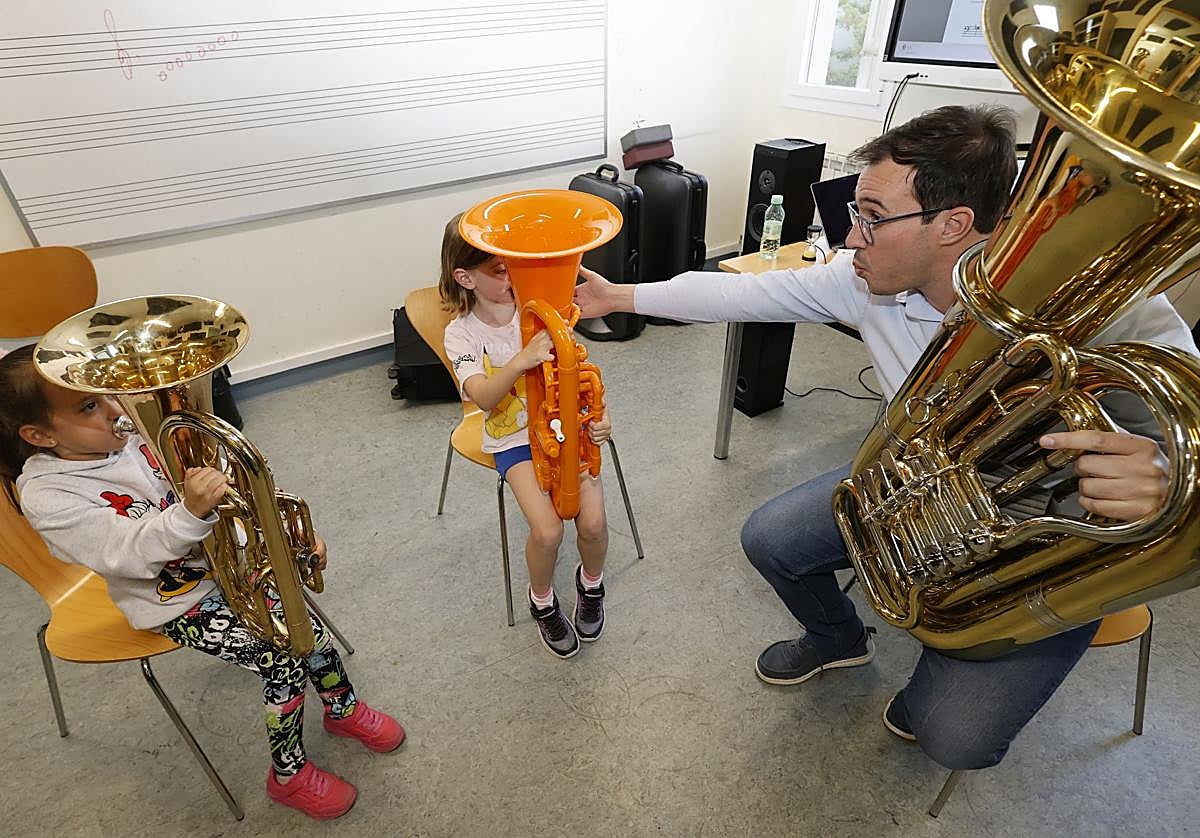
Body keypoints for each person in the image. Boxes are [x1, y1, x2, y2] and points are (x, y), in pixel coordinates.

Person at [573, 104, 1196, 771]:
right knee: (769, 539)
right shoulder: (860, 280)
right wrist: (620, 297)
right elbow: (743, 295)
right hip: (919, 483)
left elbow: (1183, 403)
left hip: (1044, 537)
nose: (849, 237)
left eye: (871, 215)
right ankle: (839, 637)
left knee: (952, 738)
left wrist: (1164, 468)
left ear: (953, 224)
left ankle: (944, 670)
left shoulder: (1101, 302)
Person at [0, 345, 405, 820]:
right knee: (281, 660)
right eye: (89, 406)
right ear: (40, 435)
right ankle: (288, 775)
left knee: (308, 633)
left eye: (105, 391)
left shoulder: (136, 434)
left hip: (230, 566)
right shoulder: (49, 496)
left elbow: (235, 490)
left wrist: (289, 535)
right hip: (172, 601)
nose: (116, 408)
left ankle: (342, 708)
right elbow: (126, 553)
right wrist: (190, 511)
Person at [439, 213, 612, 660]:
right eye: (500, 271)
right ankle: (542, 601)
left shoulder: (541, 307)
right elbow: (482, 399)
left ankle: (590, 585)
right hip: (511, 437)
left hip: (566, 427)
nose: (514, 277)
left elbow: (577, 379)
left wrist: (598, 419)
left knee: (592, 523)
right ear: (465, 277)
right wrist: (520, 360)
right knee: (549, 529)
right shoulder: (461, 334)